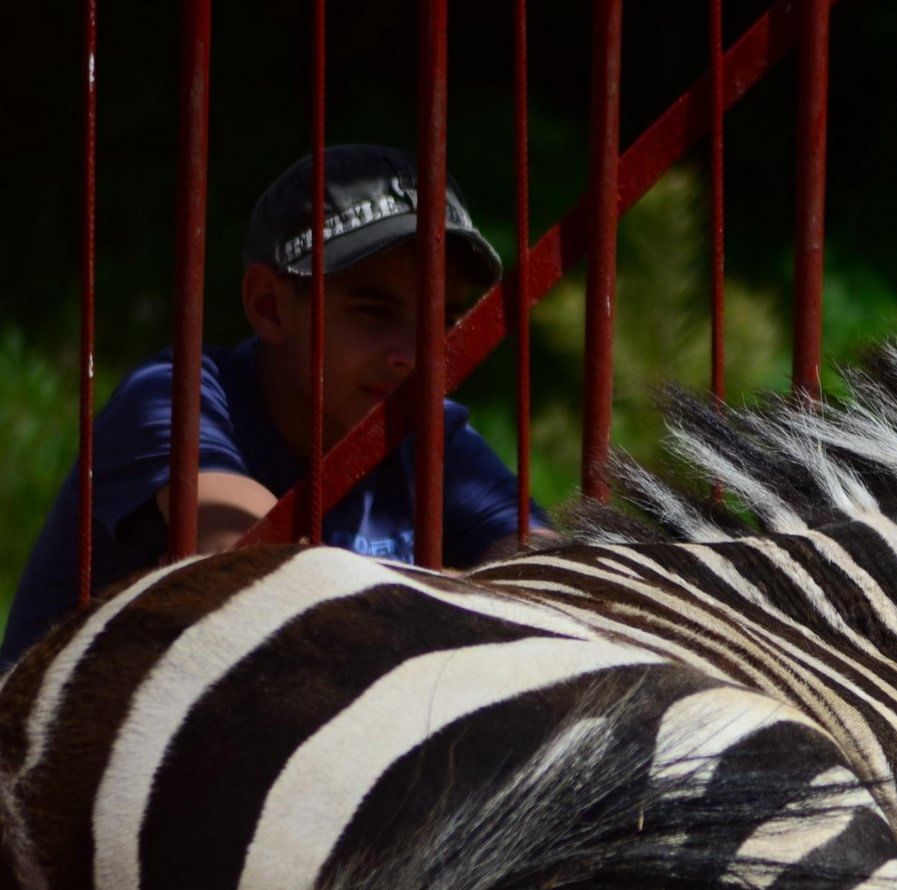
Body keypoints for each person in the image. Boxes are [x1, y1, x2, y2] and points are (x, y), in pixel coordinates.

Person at [1, 144, 548, 666]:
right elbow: (266, 576)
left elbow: (558, 579)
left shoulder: (432, 437)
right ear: (269, 306)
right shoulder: (177, 396)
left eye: (445, 322)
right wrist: (473, 597)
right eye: (375, 312)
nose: (413, 355)